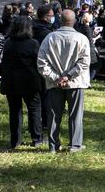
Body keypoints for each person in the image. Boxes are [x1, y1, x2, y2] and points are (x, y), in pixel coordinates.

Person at [37, 9, 90, 153]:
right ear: (74, 21)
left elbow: (42, 63)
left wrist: (56, 78)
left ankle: (53, 146)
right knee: (75, 115)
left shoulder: (50, 38)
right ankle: (75, 144)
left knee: (54, 115)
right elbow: (84, 63)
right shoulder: (82, 38)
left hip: (55, 83)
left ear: (60, 20)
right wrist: (69, 76)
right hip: (76, 82)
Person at [1, 16, 43, 149]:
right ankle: (36, 138)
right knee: (34, 109)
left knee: (14, 111)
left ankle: (15, 140)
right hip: (29, 81)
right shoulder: (33, 43)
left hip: (11, 81)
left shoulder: (8, 43)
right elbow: (39, 62)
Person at [75, 12, 99, 80]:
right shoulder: (87, 28)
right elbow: (90, 40)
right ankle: (89, 79)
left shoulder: (81, 27)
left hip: (82, 48)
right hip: (89, 48)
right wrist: (95, 38)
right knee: (95, 65)